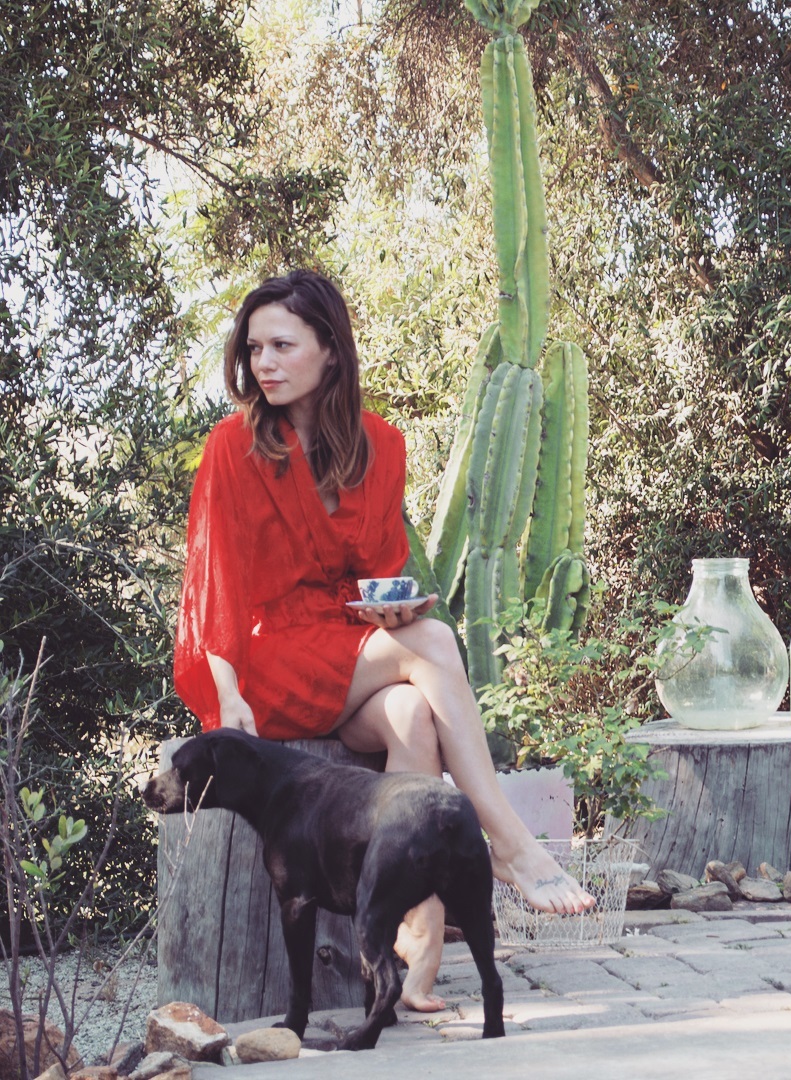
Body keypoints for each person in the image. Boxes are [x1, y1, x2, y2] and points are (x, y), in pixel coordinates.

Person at [174, 269, 593, 1013]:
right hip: (268, 659)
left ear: (330, 350)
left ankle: (414, 946)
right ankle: (507, 840)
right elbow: (215, 584)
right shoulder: (233, 447)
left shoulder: (380, 445)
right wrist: (228, 692)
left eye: (282, 345)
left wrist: (391, 611)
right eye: (254, 348)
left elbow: (379, 572)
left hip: (344, 647)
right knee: (432, 642)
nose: (263, 363)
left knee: (411, 716)